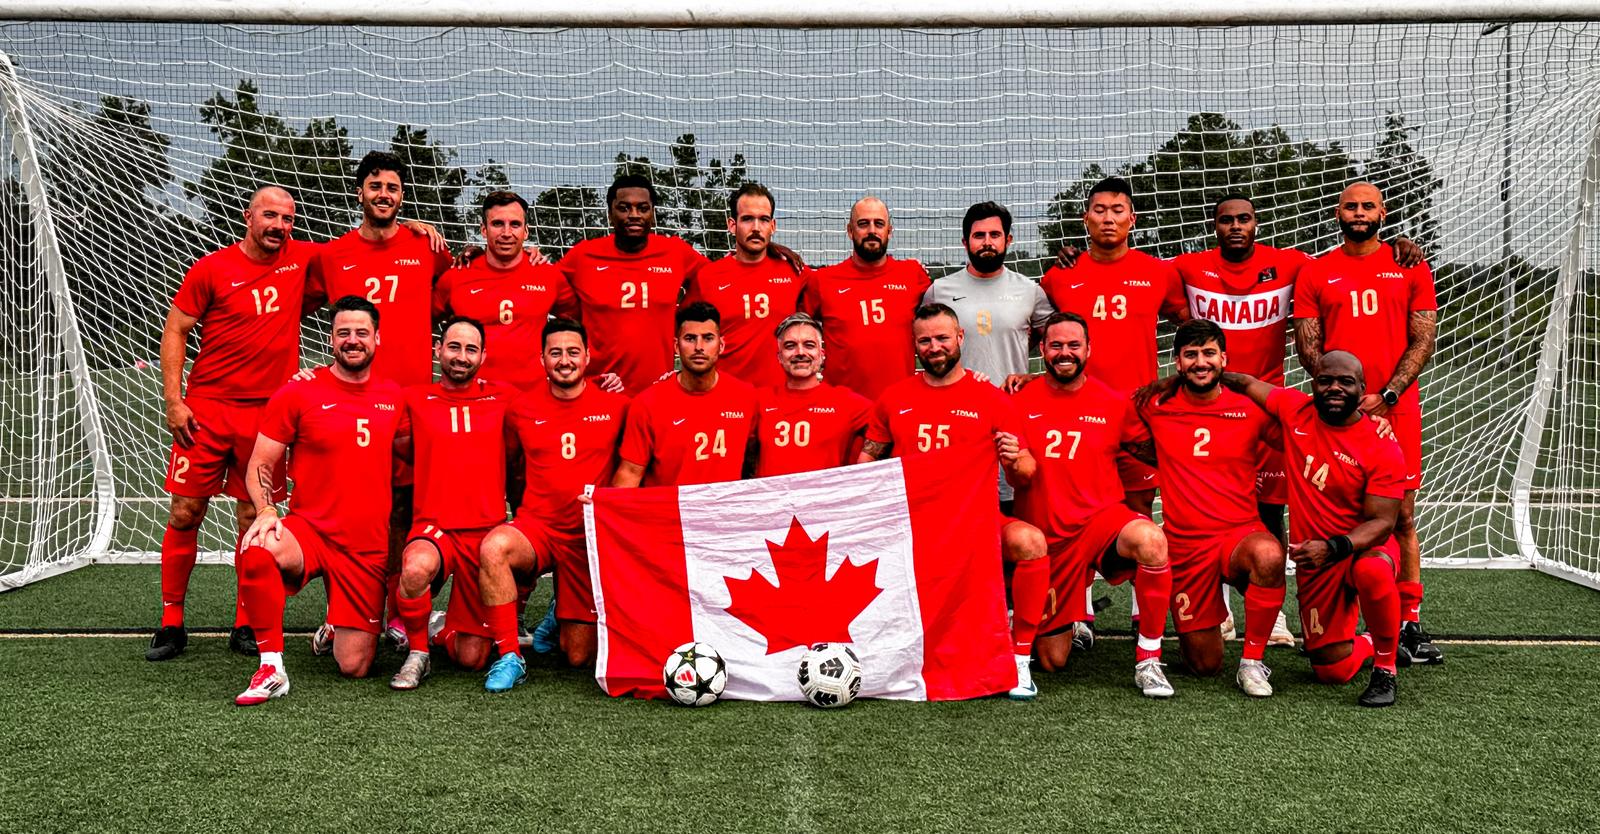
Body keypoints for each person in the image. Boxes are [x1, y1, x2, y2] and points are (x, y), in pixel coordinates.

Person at [148, 186, 313, 660]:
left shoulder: (302, 260)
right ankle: (172, 622)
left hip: (266, 416)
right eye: (270, 215)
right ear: (248, 217)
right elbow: (176, 328)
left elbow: (360, 247)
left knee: (253, 517)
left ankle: (245, 623)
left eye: (287, 219)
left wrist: (414, 229)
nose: (279, 226)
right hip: (206, 411)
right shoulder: (212, 268)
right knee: (185, 512)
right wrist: (174, 400)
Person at [857, 303, 1049, 700]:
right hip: (911, 527)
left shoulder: (991, 398)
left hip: (974, 523)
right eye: (925, 341)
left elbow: (1026, 473)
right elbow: (866, 462)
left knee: (1030, 542)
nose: (934, 347)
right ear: (915, 346)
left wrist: (1014, 459)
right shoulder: (894, 397)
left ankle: (1018, 658)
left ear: (960, 338)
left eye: (942, 338)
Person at [305, 151, 454, 652]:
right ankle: (340, 612)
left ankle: (396, 612)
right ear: (360, 193)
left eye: (391, 187)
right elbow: (294, 307)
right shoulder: (333, 255)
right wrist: (303, 371)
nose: (383, 195)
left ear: (402, 195)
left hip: (411, 404)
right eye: (375, 186)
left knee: (403, 511)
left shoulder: (426, 247)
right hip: (351, 402)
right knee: (349, 511)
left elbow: (461, 280)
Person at [1293, 181, 1440, 666]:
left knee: (1402, 517)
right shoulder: (1317, 271)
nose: (1359, 213)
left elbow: (1422, 338)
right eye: (1351, 206)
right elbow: (1309, 347)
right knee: (1338, 510)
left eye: (1367, 206)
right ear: (1338, 213)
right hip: (1339, 414)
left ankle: (1409, 622)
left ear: (1382, 213)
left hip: (1396, 407)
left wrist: (1388, 394)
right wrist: (1348, 400)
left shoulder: (1409, 264)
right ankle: (1349, 619)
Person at [232, 297, 406, 705]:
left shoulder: (394, 396)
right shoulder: (299, 391)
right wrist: (266, 510)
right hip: (310, 530)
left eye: (361, 332)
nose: (352, 340)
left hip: (364, 546)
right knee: (257, 547)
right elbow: (260, 462)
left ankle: (334, 622)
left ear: (377, 338)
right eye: (343, 333)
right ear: (331, 339)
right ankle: (271, 667)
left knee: (354, 666)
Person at [1221, 352, 1407, 707]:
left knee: (1371, 571)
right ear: (1313, 384)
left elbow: (1383, 524)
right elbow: (1245, 383)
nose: (1334, 388)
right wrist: (1192, 377)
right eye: (1325, 381)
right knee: (1331, 670)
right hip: (1317, 562)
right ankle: (1372, 642)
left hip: (1361, 547)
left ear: (1362, 389)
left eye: (1346, 382)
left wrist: (1333, 547)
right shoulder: (1295, 410)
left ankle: (1386, 668)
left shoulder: (1381, 442)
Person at [1009, 312, 1176, 698]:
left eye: (1073, 345)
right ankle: (1045, 618)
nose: (1064, 352)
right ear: (1041, 349)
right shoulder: (1017, 402)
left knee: (1151, 540)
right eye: (1056, 346)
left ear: (1088, 349)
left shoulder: (1114, 402)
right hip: (1048, 538)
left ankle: (1149, 660)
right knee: (1052, 660)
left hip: (1101, 523)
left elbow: (1157, 453)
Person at [1135, 320, 1288, 697]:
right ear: (1177, 363)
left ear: (1224, 359)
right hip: (1185, 546)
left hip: (1239, 534)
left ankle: (1252, 662)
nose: (1200, 362)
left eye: (1208, 353)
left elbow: (1302, 433)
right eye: (1191, 355)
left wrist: (1366, 427)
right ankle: (1202, 630)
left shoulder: (1250, 407)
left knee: (1269, 554)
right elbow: (1104, 413)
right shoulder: (1155, 405)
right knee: (1204, 665)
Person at [479, 318, 631, 691]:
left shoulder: (617, 406)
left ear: (588, 357)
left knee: (578, 655)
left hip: (587, 537)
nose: (565, 360)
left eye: (573, 352)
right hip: (540, 529)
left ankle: (558, 612)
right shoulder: (521, 408)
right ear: (542, 359)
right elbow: (512, 468)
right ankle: (510, 655)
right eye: (556, 353)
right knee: (494, 547)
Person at [1035, 177, 1188, 517]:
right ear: (1085, 219)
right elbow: (1032, 333)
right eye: (1100, 210)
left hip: (1137, 412)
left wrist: (1176, 380)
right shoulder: (1059, 276)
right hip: (1076, 415)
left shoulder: (1158, 272)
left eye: (1117, 210)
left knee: (1139, 510)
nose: (1108, 219)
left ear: (1132, 219)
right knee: (1078, 507)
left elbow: (1189, 327)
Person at [388, 317, 516, 690]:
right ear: (438, 350)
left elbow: (554, 403)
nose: (461, 356)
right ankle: (418, 653)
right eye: (454, 347)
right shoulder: (412, 398)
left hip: (485, 533)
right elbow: (368, 412)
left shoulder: (505, 397)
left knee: (471, 658)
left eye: (471, 349)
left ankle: (439, 629)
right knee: (415, 569)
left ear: (483, 356)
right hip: (434, 527)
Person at [922, 201, 1054, 507]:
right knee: (959, 503)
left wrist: (1033, 375)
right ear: (965, 241)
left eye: (995, 235)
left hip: (1011, 417)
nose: (987, 242)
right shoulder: (939, 290)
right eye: (979, 235)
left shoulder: (1029, 291)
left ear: (1008, 240)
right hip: (955, 419)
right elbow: (925, 343)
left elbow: (1054, 341)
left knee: (1012, 504)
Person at [559, 174, 710, 395]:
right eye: (624, 208)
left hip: (657, 393)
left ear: (653, 214)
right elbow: (546, 286)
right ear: (610, 214)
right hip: (599, 392)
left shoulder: (675, 252)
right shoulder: (583, 256)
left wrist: (683, 317)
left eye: (642, 208)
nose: (634, 215)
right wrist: (531, 256)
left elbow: (715, 277)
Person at [431, 191, 577, 391]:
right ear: (484, 229)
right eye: (497, 224)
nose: (506, 233)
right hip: (473, 398)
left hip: (532, 398)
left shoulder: (549, 276)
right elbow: (421, 325)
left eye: (515, 224)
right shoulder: (456, 277)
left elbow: (581, 323)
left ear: (526, 231)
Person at [612, 301, 759, 487]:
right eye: (690, 338)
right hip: (671, 505)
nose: (699, 347)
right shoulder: (647, 403)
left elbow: (753, 461)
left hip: (724, 505)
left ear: (721, 345)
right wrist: (603, 503)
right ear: (676, 346)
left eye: (708, 338)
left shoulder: (746, 396)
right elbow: (630, 473)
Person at [800, 196, 932, 400]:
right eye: (863, 224)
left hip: (899, 405)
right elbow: (795, 331)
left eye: (879, 224)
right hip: (842, 406)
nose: (872, 230)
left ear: (889, 231)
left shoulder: (913, 274)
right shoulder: (823, 280)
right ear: (850, 230)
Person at [682, 182, 806, 389]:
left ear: (773, 226)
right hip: (726, 397)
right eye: (747, 219)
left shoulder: (795, 272)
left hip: (780, 397)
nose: (756, 228)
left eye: (763, 220)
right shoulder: (707, 277)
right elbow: (685, 336)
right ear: (732, 225)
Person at [754, 313, 872, 477]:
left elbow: (889, 423)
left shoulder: (845, 402)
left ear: (821, 354)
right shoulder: (758, 400)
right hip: (771, 494)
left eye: (809, 345)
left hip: (826, 493)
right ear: (779, 357)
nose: (800, 352)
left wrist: (865, 461)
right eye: (790, 346)